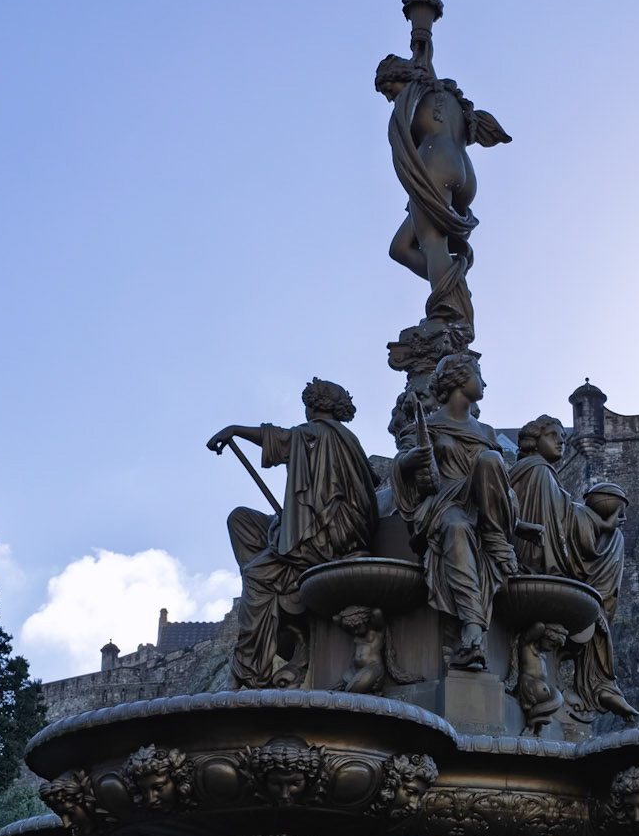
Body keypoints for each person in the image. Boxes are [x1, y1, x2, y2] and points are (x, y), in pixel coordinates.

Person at [208, 379, 378, 687]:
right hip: (317, 526)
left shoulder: (316, 434)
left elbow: (280, 438)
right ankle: (279, 587)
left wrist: (234, 430)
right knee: (242, 520)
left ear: (313, 404)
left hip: (328, 538)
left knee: (258, 574)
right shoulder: (345, 439)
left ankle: (249, 675)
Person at [390, 352, 518, 669]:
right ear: (460, 378)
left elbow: (503, 485)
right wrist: (413, 460)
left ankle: (495, 539)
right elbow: (401, 465)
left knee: (490, 461)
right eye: (478, 373)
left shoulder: (487, 433)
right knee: (456, 527)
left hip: (485, 506)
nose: (484, 381)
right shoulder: (429, 426)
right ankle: (472, 630)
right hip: (444, 504)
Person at [375, 55, 510, 335]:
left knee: (433, 242)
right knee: (400, 247)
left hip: (434, 160)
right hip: (464, 172)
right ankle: (453, 288)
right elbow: (424, 54)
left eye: (388, 90)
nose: (390, 99)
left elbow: (422, 50)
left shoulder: (415, 93)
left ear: (399, 76)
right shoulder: (439, 90)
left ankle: (446, 313)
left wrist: (420, 26)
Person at [511, 416, 635, 719]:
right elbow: (561, 516)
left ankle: (601, 683)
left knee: (613, 539)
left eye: (562, 437)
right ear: (533, 440)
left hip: (546, 554)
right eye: (553, 435)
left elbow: (564, 512)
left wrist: (601, 523)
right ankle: (598, 683)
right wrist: (602, 522)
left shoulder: (543, 474)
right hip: (536, 560)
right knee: (611, 540)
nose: (561, 441)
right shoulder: (537, 472)